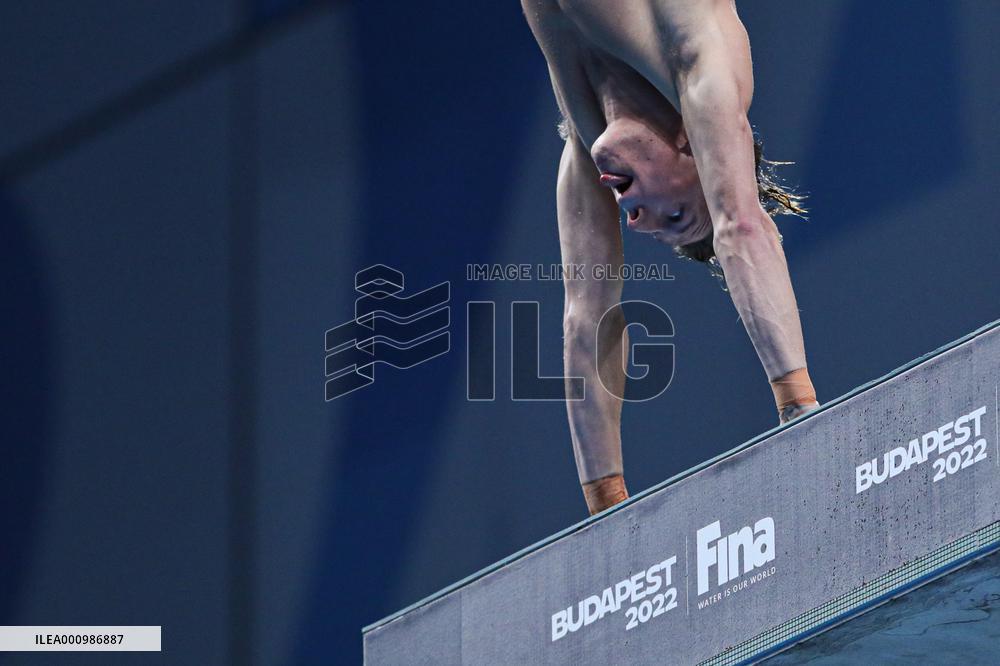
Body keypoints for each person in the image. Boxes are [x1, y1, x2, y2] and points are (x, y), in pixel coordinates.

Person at [522, 0, 820, 515]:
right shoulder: (702, 58)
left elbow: (586, 316)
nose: (633, 220)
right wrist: (803, 416)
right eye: (678, 215)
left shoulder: (586, 136)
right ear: (693, 143)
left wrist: (607, 509)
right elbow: (740, 225)